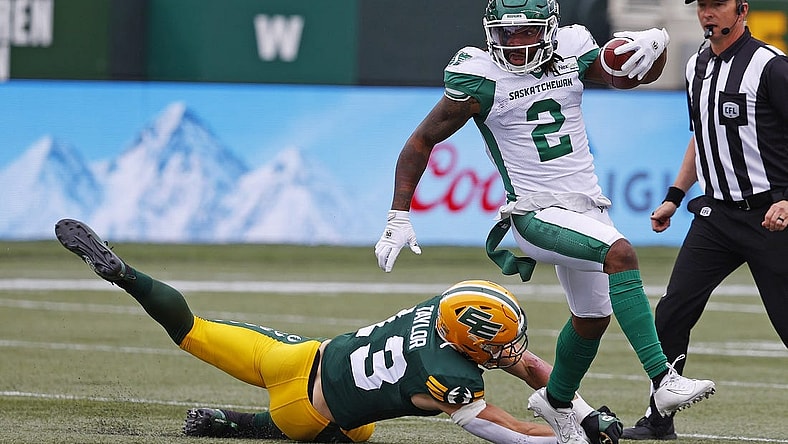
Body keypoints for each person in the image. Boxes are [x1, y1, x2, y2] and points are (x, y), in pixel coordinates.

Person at [373, 1, 716, 442]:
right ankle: (662, 381)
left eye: (526, 33)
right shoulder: (479, 76)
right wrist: (397, 213)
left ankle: (556, 401)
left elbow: (626, 77)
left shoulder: (572, 48)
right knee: (621, 253)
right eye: (505, 34)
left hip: (587, 206)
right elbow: (421, 140)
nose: (515, 45)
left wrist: (655, 49)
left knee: (592, 317)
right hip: (533, 212)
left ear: (550, 29)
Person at [54, 218, 624, 444]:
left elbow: (525, 364)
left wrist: (584, 410)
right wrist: (565, 437)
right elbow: (505, 431)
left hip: (295, 356)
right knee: (355, 434)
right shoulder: (450, 373)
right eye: (496, 345)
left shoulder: (444, 310)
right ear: (468, 343)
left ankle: (125, 275)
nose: (511, 353)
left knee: (192, 328)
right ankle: (229, 423)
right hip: (311, 413)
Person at [622, 0, 788, 440]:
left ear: (743, 9)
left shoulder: (770, 66)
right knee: (672, 313)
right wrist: (675, 196)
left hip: (771, 218)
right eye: (702, 6)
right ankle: (659, 419)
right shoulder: (696, 65)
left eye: (718, 5)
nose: (707, 14)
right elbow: (703, 136)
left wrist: (787, 200)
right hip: (715, 216)